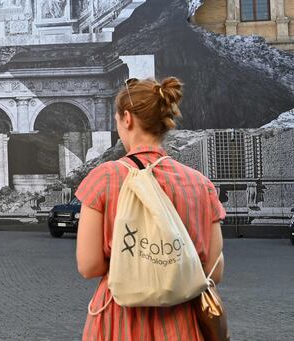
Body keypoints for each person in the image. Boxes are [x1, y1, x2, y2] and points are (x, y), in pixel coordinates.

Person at [75, 77, 226, 340]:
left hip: (119, 320)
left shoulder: (104, 179)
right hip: (183, 323)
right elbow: (215, 269)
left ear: (127, 118)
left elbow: (89, 266)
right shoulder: (201, 185)